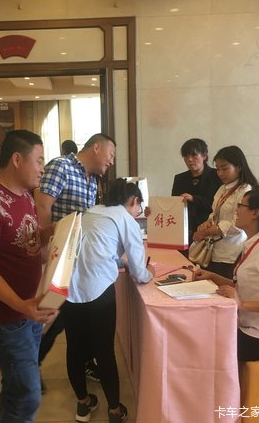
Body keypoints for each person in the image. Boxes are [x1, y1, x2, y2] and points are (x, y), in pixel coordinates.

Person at [0, 129, 58, 423]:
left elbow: (27, 238)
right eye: (39, 160)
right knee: (27, 394)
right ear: (17, 159)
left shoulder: (24, 196)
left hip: (27, 310)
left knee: (17, 388)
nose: (43, 168)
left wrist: (55, 231)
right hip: (6, 317)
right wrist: (22, 306)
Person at [63, 179, 153, 423]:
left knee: (74, 349)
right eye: (138, 207)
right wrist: (149, 273)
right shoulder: (126, 219)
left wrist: (119, 261)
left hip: (69, 290)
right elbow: (139, 270)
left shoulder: (91, 212)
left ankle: (83, 405)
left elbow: (95, 249)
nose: (138, 212)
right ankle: (114, 411)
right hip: (98, 292)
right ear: (133, 201)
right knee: (104, 352)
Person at [34, 133, 117, 386]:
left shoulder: (92, 180)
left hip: (78, 260)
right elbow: (42, 205)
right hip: (59, 258)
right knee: (52, 314)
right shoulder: (62, 166)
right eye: (111, 155)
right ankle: (28, 364)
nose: (111, 161)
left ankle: (83, 362)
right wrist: (44, 246)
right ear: (97, 147)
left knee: (72, 315)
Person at [194, 189, 259, 362]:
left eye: (241, 205)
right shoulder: (253, 243)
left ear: (255, 213)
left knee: (205, 341)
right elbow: (244, 285)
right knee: (202, 330)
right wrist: (212, 276)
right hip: (249, 327)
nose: (236, 209)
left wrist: (241, 304)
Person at [193, 145, 259, 279]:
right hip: (214, 249)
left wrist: (215, 229)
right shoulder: (222, 189)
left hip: (231, 251)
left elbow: (241, 223)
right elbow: (215, 212)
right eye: (218, 169)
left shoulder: (245, 190)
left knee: (224, 285)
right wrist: (207, 223)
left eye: (224, 168)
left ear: (239, 167)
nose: (220, 173)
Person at [172, 138, 222, 248]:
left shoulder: (216, 176)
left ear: (204, 156)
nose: (189, 160)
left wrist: (194, 198)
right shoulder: (180, 178)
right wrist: (154, 211)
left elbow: (218, 204)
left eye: (194, 155)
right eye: (186, 156)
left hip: (209, 232)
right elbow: (174, 206)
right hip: (185, 232)